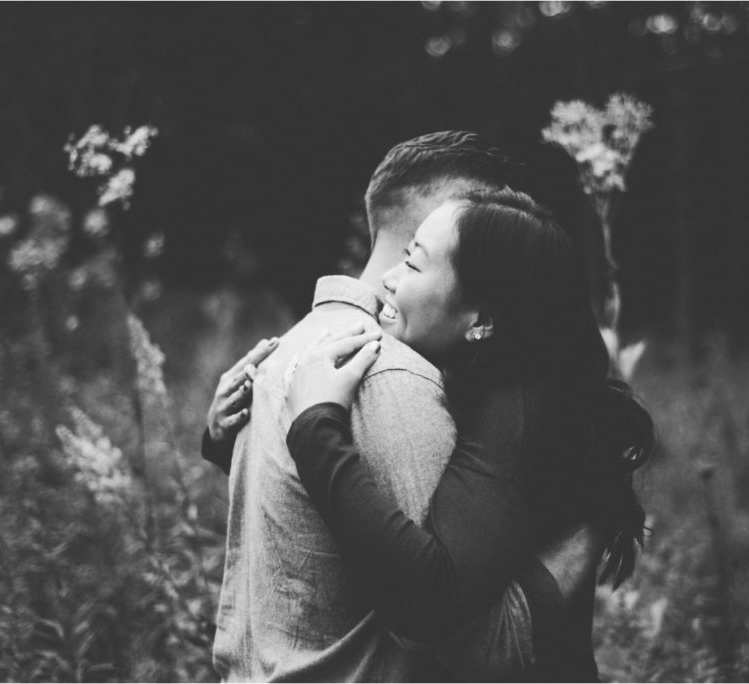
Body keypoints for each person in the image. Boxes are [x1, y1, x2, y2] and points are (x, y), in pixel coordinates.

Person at [203, 132, 602, 681]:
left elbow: (443, 614)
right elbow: (302, 509)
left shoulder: (318, 356)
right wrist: (225, 441)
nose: (390, 281)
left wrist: (311, 430)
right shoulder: (391, 371)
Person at [279, 189, 654, 681]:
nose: (388, 279)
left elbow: (430, 603)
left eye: (413, 264)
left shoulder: (516, 410)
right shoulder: (480, 372)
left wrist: (315, 429)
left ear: (483, 320)